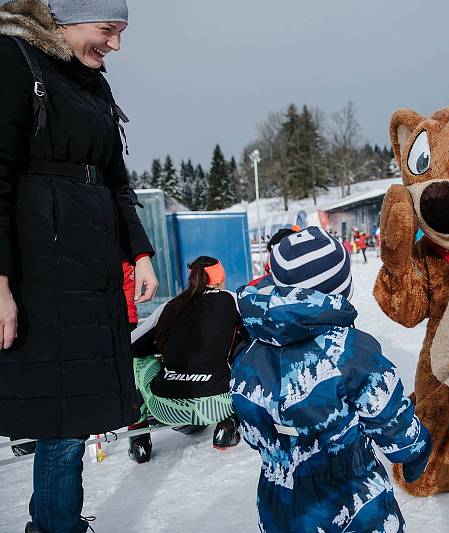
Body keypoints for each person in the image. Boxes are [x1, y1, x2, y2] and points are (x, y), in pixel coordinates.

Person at [0, 1, 159, 531]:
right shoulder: (14, 59)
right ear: (65, 20)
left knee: (74, 415)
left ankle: (51, 521)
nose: (115, 45)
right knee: (62, 421)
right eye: (107, 31)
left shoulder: (92, 83)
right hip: (40, 272)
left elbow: (115, 177)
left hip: (88, 273)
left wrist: (139, 252)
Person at [231, 226, 432, 533]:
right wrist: (415, 450)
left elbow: (251, 429)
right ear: (342, 290)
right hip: (350, 497)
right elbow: (389, 418)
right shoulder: (351, 351)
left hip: (278, 501)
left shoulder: (249, 354)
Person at [127, 257, 241, 463]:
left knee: (138, 361)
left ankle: (139, 439)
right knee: (244, 351)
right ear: (221, 279)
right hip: (220, 404)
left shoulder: (171, 306)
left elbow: (132, 344)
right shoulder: (232, 300)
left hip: (167, 408)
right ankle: (229, 424)